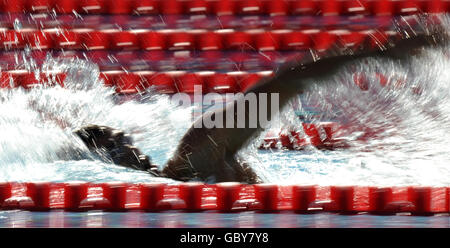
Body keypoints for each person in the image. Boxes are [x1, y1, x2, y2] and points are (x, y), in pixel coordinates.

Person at [75, 16, 446, 184]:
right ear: (116, 160)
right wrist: (384, 54)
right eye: (120, 141)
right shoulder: (199, 147)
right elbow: (284, 84)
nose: (130, 141)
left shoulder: (193, 160)